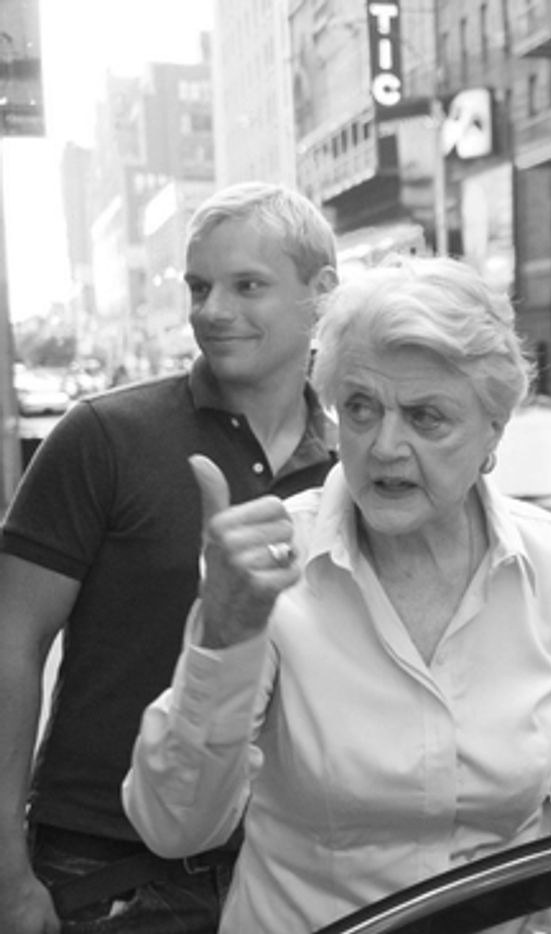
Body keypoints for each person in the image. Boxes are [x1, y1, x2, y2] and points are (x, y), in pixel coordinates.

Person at [123, 256, 551, 933]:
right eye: (360, 408)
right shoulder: (270, 563)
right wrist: (223, 638)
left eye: (426, 417)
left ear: (494, 433)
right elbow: (176, 827)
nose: (383, 445)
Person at [0, 181, 339, 933]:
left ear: (322, 293)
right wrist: (5, 874)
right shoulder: (103, 435)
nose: (211, 311)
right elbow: (11, 644)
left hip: (288, 874)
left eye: (246, 285)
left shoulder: (356, 468)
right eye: (198, 286)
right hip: (106, 872)